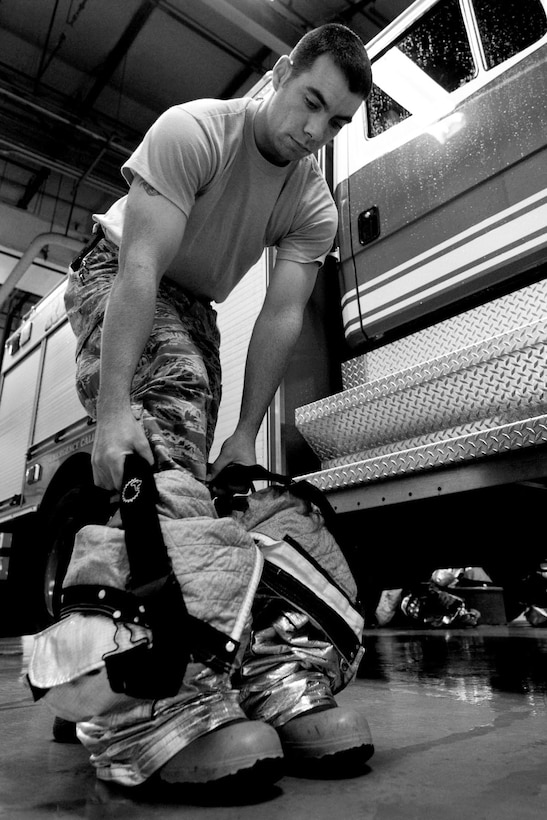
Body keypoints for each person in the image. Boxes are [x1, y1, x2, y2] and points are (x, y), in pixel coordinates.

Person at [57, 22, 373, 791]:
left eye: (334, 123)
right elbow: (139, 262)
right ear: (278, 72)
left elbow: (278, 319)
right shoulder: (194, 130)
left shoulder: (312, 205)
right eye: (309, 103)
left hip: (193, 305)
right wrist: (107, 412)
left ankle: (110, 677)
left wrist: (241, 433)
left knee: (198, 481)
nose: (312, 132)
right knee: (159, 437)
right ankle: (142, 709)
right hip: (121, 273)